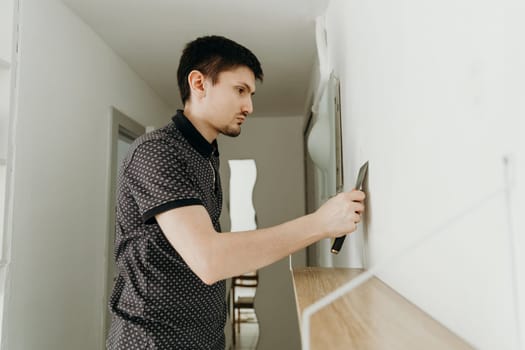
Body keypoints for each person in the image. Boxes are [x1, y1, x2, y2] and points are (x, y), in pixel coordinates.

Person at [106, 35, 365, 350]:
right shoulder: (157, 151)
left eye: (251, 94)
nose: (250, 106)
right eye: (240, 90)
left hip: (204, 338)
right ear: (199, 83)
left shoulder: (205, 153)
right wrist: (320, 223)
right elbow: (209, 259)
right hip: (153, 341)